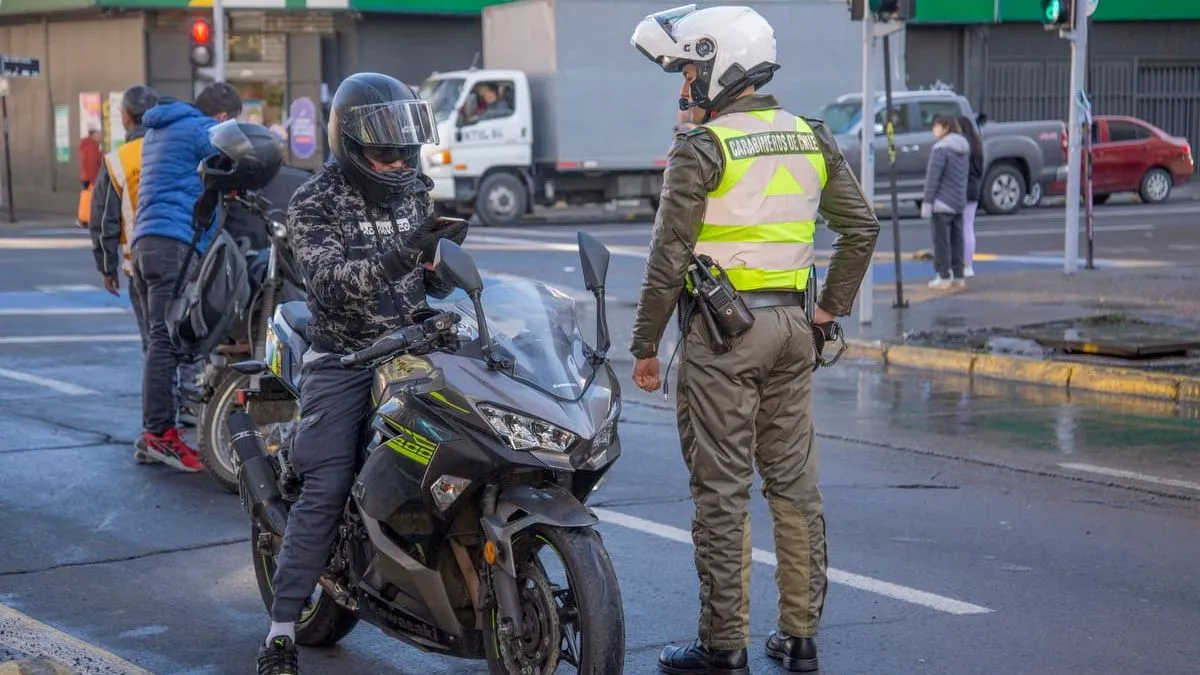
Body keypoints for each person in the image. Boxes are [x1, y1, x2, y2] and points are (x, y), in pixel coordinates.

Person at [630, 6, 880, 675]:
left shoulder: (703, 148)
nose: (684, 87)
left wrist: (644, 346)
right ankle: (799, 639)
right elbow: (861, 228)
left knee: (722, 493)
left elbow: (667, 259)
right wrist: (828, 311)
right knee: (795, 489)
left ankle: (724, 646)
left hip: (722, 337)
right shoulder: (811, 135)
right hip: (795, 331)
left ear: (721, 65)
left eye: (690, 71)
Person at [255, 72, 466, 675]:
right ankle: (279, 631)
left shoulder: (414, 191)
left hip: (417, 344)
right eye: (384, 152)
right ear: (348, 143)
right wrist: (402, 254)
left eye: (405, 151)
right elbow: (329, 284)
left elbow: (423, 280)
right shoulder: (314, 202)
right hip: (347, 357)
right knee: (325, 484)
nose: (398, 163)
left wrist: (438, 268)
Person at [131, 83, 244, 472]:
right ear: (224, 117)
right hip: (175, 240)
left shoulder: (161, 128)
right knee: (167, 340)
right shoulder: (201, 130)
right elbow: (236, 163)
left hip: (146, 241)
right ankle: (159, 435)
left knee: (159, 340)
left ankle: (155, 433)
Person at [86, 85, 160, 462]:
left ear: (126, 118)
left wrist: (107, 266)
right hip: (189, 262)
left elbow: (104, 219)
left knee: (154, 344)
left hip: (139, 265)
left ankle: (159, 425)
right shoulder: (175, 151)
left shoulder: (118, 160)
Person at [921, 115, 970, 289]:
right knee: (958, 241)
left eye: (937, 126)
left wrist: (927, 203)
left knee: (941, 242)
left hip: (942, 202)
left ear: (946, 128)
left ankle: (943, 276)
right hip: (958, 201)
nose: (934, 130)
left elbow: (933, 178)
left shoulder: (940, 149)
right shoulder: (964, 148)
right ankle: (958, 275)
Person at [955, 114, 983, 278]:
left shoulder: (960, 146)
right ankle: (968, 264)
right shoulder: (977, 145)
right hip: (974, 189)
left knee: (958, 229)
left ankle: (961, 263)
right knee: (968, 227)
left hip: (960, 189)